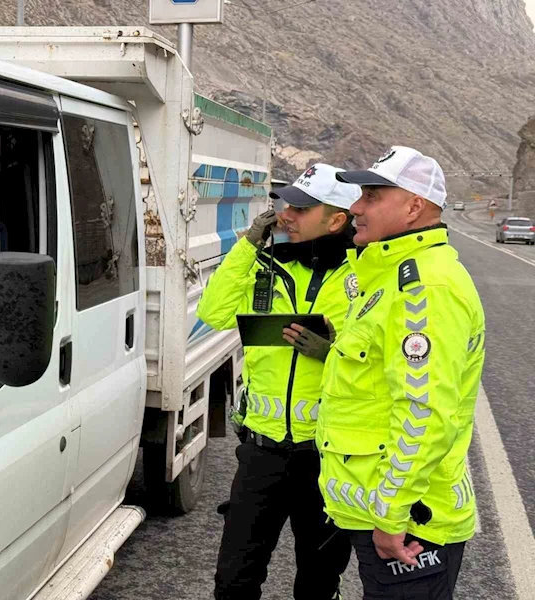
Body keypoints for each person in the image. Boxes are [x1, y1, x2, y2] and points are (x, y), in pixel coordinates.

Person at [318, 146, 486, 599]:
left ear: (414, 207)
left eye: (372, 196)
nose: (355, 207)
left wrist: (391, 516)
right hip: (383, 510)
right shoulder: (386, 277)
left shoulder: (425, 288)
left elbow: (424, 412)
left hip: (410, 521)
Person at [198, 163, 361, 600]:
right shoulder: (262, 264)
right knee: (233, 583)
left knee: (318, 585)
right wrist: (247, 245)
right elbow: (213, 313)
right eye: (287, 203)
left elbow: (380, 362)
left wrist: (332, 353)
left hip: (326, 459)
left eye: (303, 208)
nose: (286, 213)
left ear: (337, 219)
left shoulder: (362, 279)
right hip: (260, 455)